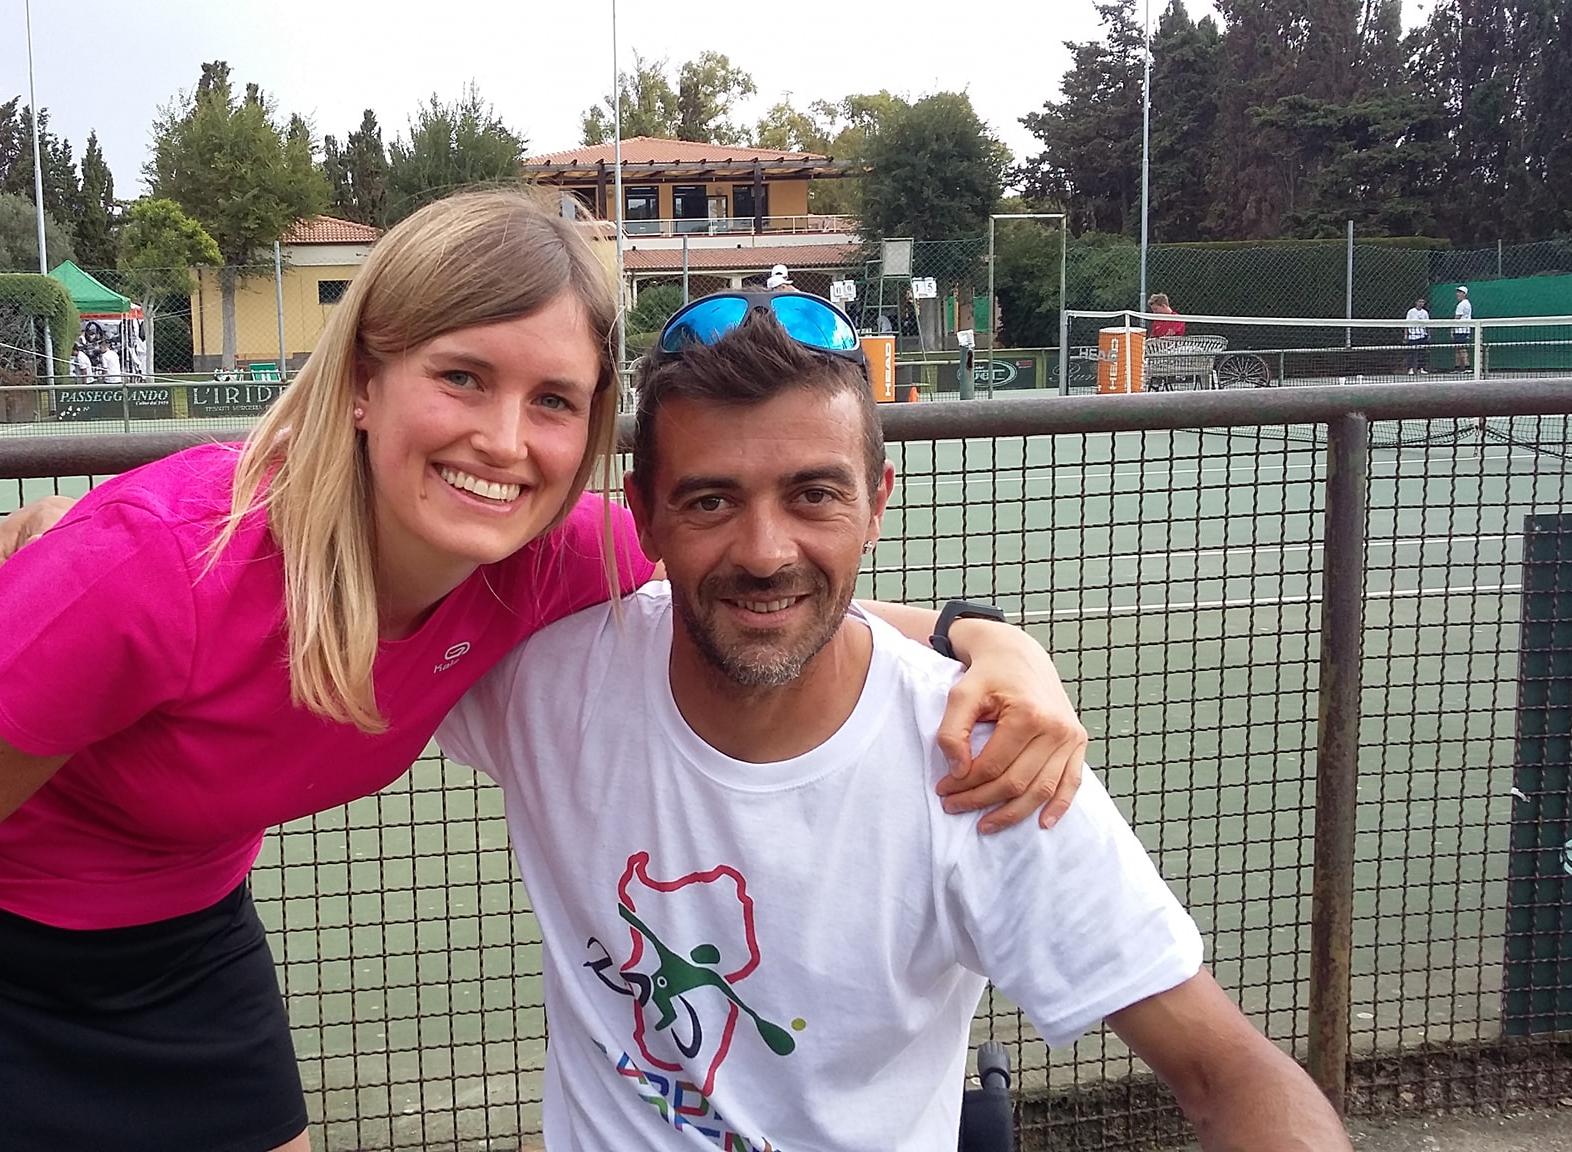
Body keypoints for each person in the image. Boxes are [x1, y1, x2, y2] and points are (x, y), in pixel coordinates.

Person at [0, 190, 1089, 1152]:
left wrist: (997, 643)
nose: (503, 442)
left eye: (553, 400)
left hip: (179, 933)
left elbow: (777, 591)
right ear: (364, 382)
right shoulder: (162, 572)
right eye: (461, 378)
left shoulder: (548, 554)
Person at [433, 294, 1351, 1149]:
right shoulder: (545, 683)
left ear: (877, 503)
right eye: (711, 500)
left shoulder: (982, 765)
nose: (764, 552)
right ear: (646, 517)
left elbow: (1226, 1069)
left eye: (814, 495)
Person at [1404, 297, 1431, 374]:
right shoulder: (1411, 312)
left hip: (1422, 335)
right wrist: (1406, 335)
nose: (1421, 303)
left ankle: (1421, 368)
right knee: (1412, 353)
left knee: (1422, 353)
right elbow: (1406, 323)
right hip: (1413, 336)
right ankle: (1411, 368)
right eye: (1419, 301)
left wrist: (1428, 334)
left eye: (1422, 302)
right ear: (1416, 302)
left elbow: (1427, 324)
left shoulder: (1425, 312)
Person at [1452, 285, 1474, 370]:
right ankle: (1457, 367)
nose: (1457, 294)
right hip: (1463, 330)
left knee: (1462, 349)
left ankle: (1467, 367)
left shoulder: (1462, 304)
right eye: (1457, 292)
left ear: (1464, 294)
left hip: (1461, 330)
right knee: (1458, 349)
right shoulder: (1467, 303)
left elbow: (1457, 317)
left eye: (1460, 292)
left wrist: (1452, 328)